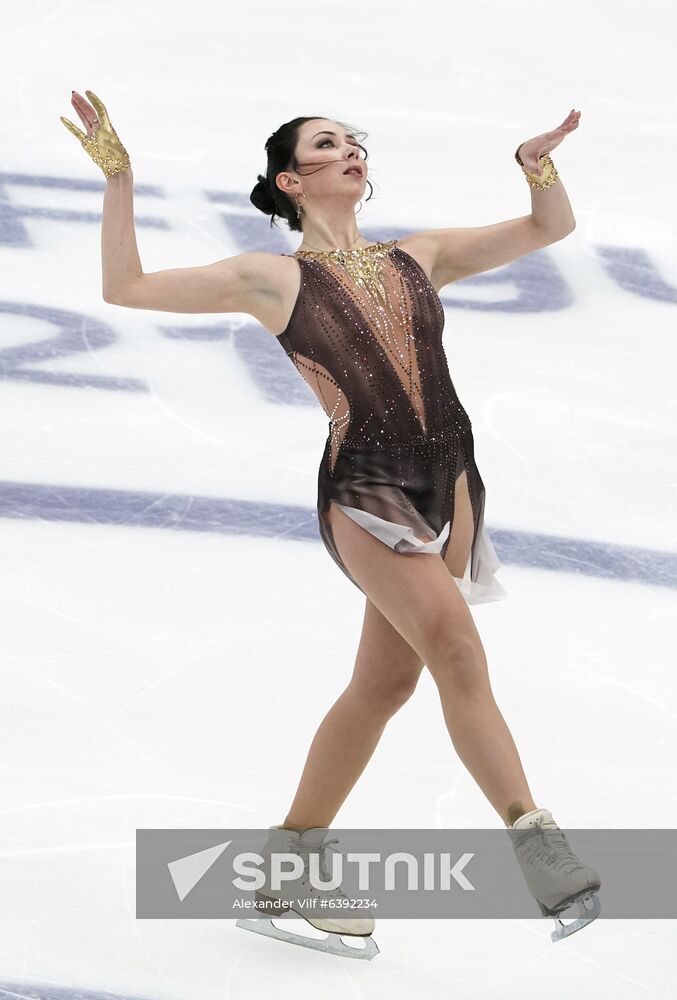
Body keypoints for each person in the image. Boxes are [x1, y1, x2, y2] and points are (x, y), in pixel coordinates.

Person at [60, 91, 601, 958]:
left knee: (384, 687)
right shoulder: (270, 277)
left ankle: (285, 868)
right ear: (291, 178)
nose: (351, 150)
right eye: (327, 144)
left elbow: (547, 228)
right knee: (457, 652)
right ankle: (535, 841)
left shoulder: (419, 255)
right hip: (367, 491)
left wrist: (536, 164)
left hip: (450, 486)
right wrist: (119, 178)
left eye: (354, 141)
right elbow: (124, 287)